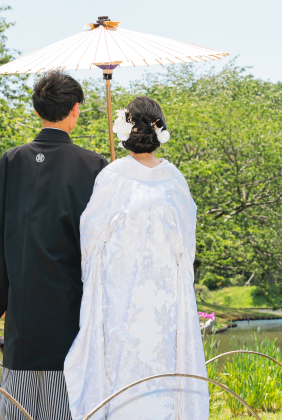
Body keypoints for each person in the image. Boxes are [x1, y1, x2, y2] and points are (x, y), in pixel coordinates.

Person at [64, 96, 208, 420]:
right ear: (159, 130)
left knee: (120, 366)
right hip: (164, 302)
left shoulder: (113, 176)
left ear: (126, 129)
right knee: (163, 366)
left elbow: (90, 234)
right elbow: (187, 249)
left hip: (121, 298)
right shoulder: (175, 181)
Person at [0, 71, 108, 420]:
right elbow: (102, 245)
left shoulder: (11, 161)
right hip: (71, 308)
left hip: (21, 309)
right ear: (75, 110)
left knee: (18, 407)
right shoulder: (94, 166)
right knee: (68, 405)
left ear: (38, 111)